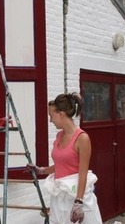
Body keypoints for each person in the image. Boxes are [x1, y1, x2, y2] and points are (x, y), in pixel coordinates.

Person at [26, 93, 102, 224]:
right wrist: (42, 170)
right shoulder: (59, 136)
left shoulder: (82, 138)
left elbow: (82, 173)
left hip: (76, 195)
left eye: (51, 116)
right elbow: (63, 165)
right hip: (60, 195)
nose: (50, 120)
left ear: (61, 114)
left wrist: (78, 203)